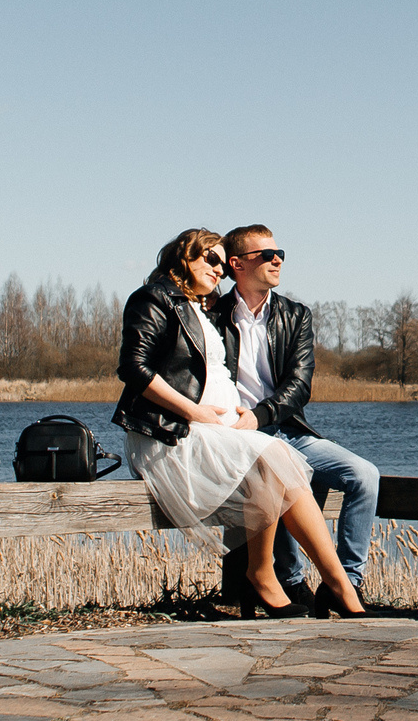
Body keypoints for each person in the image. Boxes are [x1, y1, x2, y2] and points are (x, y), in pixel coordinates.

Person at [115, 228, 365, 619]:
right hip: (171, 434)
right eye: (210, 260)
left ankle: (342, 589)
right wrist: (193, 412)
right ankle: (263, 574)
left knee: (279, 462)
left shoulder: (200, 305)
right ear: (184, 258)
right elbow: (133, 368)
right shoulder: (153, 298)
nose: (220, 270)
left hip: (213, 431)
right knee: (269, 457)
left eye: (221, 262)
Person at [216, 225, 380, 611]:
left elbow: (299, 386)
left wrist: (261, 416)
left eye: (280, 254)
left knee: (365, 476)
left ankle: (346, 582)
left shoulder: (295, 315)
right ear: (236, 264)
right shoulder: (212, 315)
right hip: (239, 439)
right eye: (266, 254)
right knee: (282, 475)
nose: (277, 260)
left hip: (287, 429)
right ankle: (291, 583)